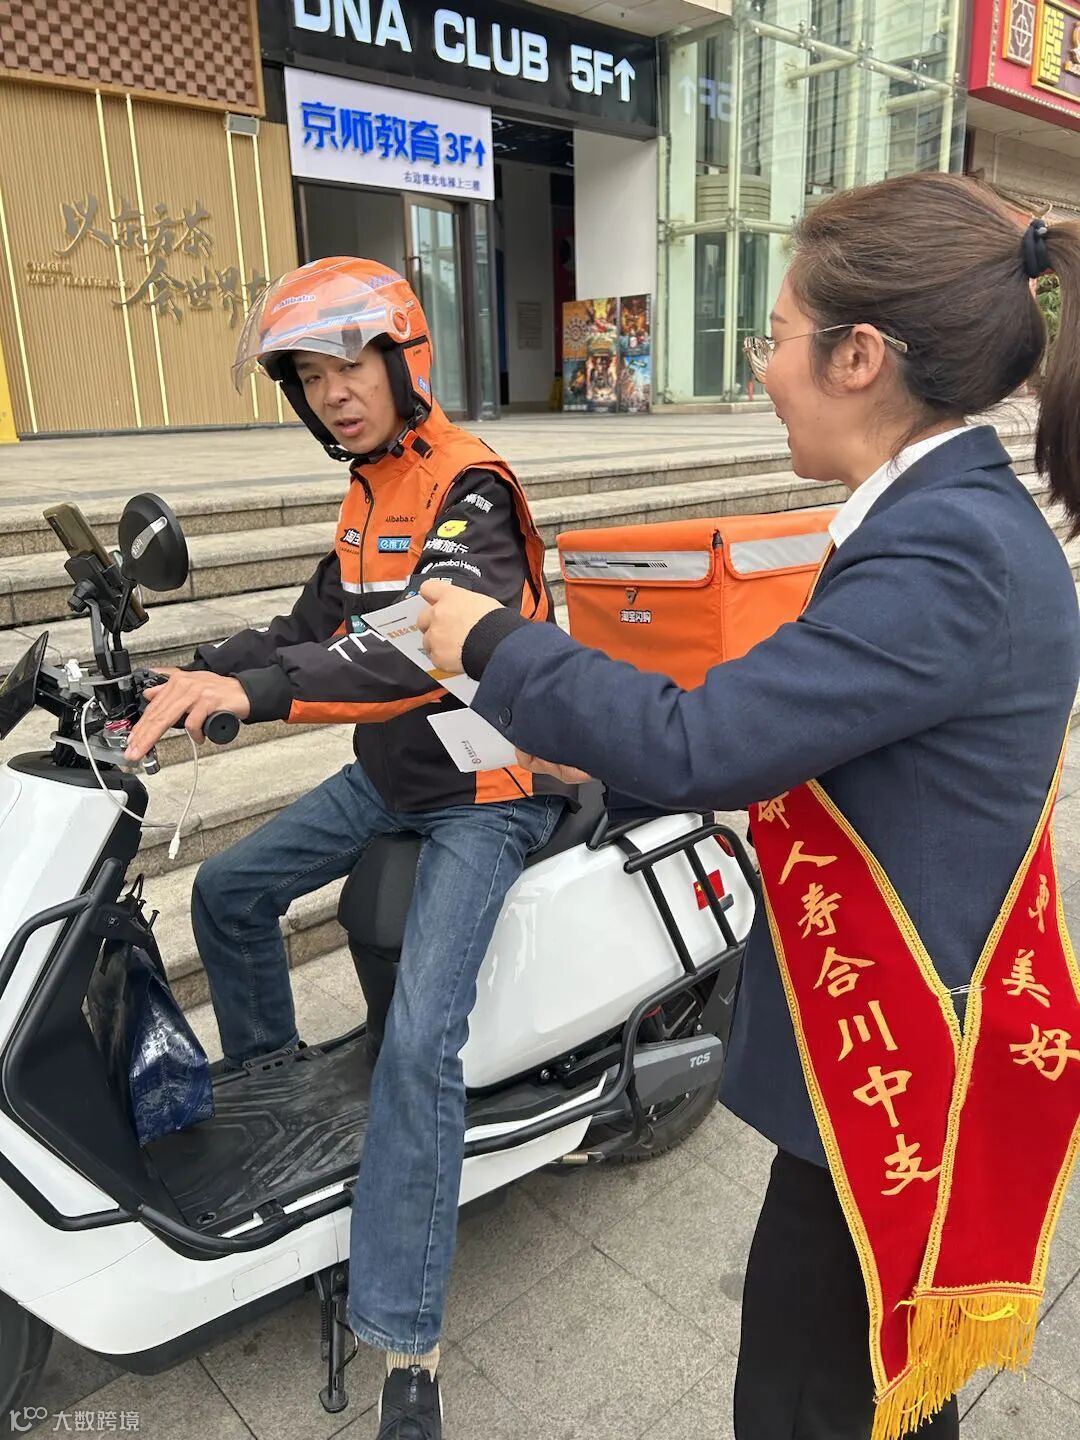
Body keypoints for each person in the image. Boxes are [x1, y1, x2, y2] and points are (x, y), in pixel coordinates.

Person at [417, 175, 1080, 1440]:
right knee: (866, 1392)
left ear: (860, 357)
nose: (762, 368)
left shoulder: (948, 549)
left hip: (893, 1052)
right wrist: (590, 760)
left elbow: (712, 741)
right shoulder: (948, 518)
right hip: (883, 1030)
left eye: (773, 336)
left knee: (809, 1403)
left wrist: (497, 646)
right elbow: (805, 737)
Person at [124, 257, 571, 1440]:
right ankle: (287, 1121)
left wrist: (258, 694)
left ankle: (408, 1347)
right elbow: (312, 624)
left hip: (484, 787)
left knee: (420, 1041)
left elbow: (419, 648)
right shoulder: (369, 493)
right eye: (309, 379)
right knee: (228, 892)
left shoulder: (471, 489)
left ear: (402, 361)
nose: (331, 394)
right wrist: (188, 670)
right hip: (394, 773)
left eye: (347, 367)